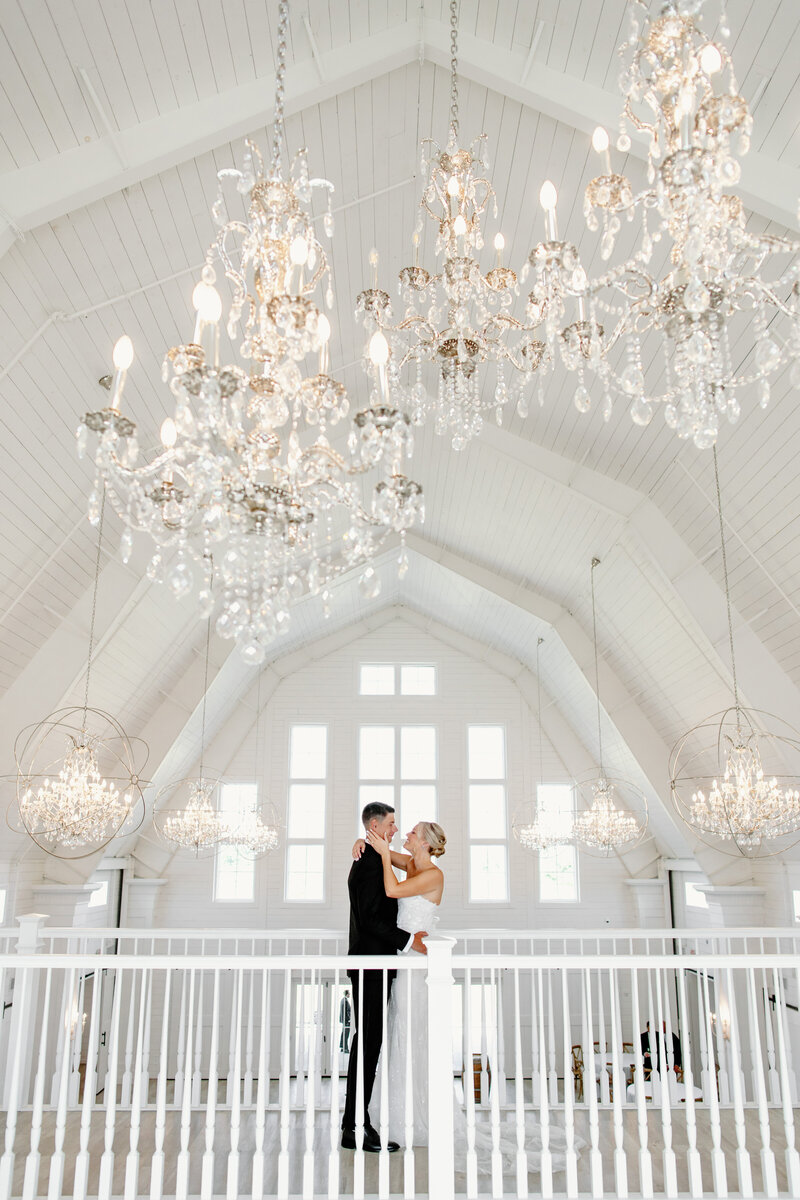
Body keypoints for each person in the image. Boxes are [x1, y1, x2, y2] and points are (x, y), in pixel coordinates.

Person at [353, 820, 578, 1173]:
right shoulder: (412, 862)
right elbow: (388, 857)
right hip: (404, 958)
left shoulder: (433, 875)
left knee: (415, 1035)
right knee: (400, 1034)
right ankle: (401, 1115)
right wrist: (364, 843)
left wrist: (382, 855)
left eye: (412, 833)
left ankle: (422, 1117)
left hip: (418, 962)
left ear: (425, 843)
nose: (407, 835)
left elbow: (393, 891)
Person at [341, 802, 428, 1154]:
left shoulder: (375, 857)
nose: (395, 829)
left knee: (370, 1044)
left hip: (377, 965)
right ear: (375, 824)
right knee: (368, 1045)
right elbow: (371, 919)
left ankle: (356, 1124)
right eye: (392, 824)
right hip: (371, 965)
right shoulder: (368, 863)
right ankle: (354, 1127)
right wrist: (409, 941)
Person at [339, 989, 352, 1053]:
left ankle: (342, 1047)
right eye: (349, 994)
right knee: (346, 1035)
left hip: (344, 1020)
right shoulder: (345, 1001)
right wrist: (349, 1019)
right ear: (347, 994)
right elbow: (347, 1012)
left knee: (343, 1034)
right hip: (346, 1021)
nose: (350, 995)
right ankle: (345, 1048)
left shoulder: (342, 1000)